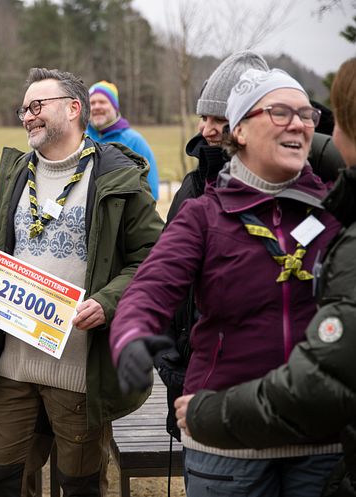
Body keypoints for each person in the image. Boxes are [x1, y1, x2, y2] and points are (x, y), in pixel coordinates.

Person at [110, 68, 343, 497]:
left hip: (322, 443)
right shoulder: (204, 214)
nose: (298, 123)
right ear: (239, 130)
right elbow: (150, 286)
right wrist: (132, 335)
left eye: (306, 114)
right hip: (227, 446)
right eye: (279, 112)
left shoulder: (335, 212)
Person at [0, 67, 163, 497]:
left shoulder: (117, 177)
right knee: (0, 482)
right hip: (12, 368)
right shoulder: (15, 173)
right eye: (24, 109)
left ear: (74, 109)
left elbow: (153, 258)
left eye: (37, 106)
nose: (27, 117)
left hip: (78, 372)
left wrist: (108, 302)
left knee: (79, 487)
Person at [174, 57, 356, 497]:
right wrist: (182, 379)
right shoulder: (197, 193)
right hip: (224, 431)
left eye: (220, 118)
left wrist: (206, 411)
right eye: (204, 118)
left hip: (312, 438)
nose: (208, 129)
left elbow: (328, 370)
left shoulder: (331, 199)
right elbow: (170, 300)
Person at [86, 80, 160, 199]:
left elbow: (151, 190)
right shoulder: (80, 138)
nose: (97, 107)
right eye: (92, 103)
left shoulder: (134, 141)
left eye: (102, 102)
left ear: (115, 107)